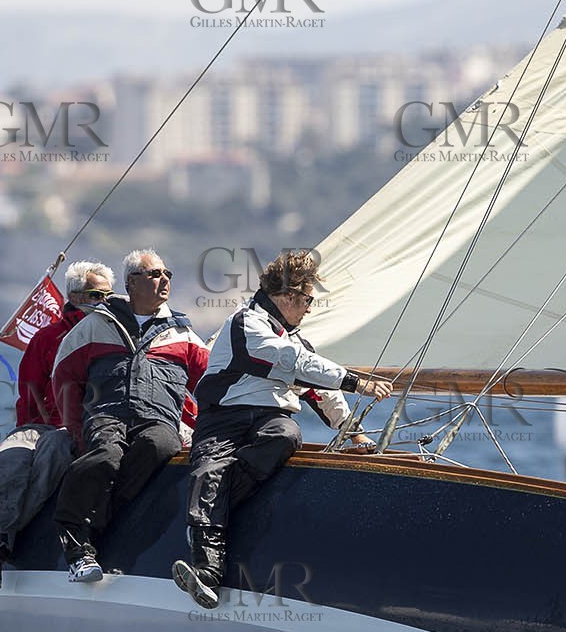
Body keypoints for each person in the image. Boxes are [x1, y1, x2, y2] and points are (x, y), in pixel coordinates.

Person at [172, 249, 391, 609]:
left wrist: (355, 434)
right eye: (307, 300)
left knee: (286, 435)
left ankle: (219, 506)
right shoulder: (246, 324)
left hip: (268, 420)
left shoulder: (297, 341)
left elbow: (321, 393)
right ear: (287, 296)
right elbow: (289, 360)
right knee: (208, 468)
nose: (308, 308)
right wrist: (356, 381)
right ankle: (207, 572)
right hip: (223, 417)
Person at [50, 248, 209, 582]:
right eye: (154, 274)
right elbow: (63, 376)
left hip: (159, 420)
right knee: (104, 455)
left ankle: (103, 518)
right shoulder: (96, 325)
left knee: (161, 445)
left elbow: (213, 385)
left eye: (167, 274)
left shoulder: (182, 334)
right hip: (106, 414)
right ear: (132, 282)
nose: (163, 280)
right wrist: (76, 429)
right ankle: (77, 550)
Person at [0, 261, 115, 589]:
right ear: (74, 296)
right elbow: (29, 393)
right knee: (8, 455)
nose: (104, 302)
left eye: (108, 295)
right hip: (41, 425)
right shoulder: (46, 338)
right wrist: (24, 432)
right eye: (96, 295)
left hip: (79, 427)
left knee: (54, 450)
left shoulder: (112, 337)